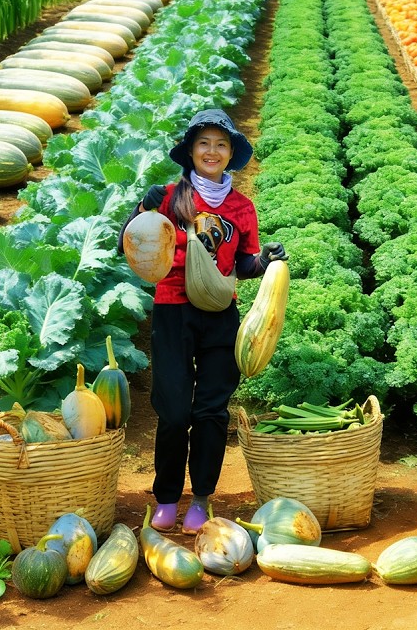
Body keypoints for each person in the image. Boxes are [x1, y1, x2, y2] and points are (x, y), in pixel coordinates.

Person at [120, 108, 287, 534]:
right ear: (190, 152)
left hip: (219, 314)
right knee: (174, 412)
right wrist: (142, 208)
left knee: (211, 411)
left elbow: (243, 264)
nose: (212, 151)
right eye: (203, 143)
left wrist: (265, 260)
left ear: (231, 153)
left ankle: (201, 497)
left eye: (221, 144)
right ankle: (168, 496)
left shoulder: (242, 207)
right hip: (173, 310)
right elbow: (130, 239)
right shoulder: (167, 196)